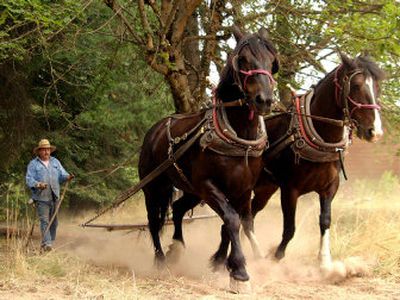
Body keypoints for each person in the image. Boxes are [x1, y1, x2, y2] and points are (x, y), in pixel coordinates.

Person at [25, 139, 74, 251]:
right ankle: (47, 244)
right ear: (39, 151)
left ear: (50, 150)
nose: (46, 152)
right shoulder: (33, 164)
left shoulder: (55, 162)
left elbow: (62, 175)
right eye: (43, 150)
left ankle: (49, 243)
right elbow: (28, 179)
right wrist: (38, 184)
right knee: (44, 221)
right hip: (41, 198)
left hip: (54, 196)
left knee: (54, 222)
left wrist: (68, 177)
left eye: (48, 149)